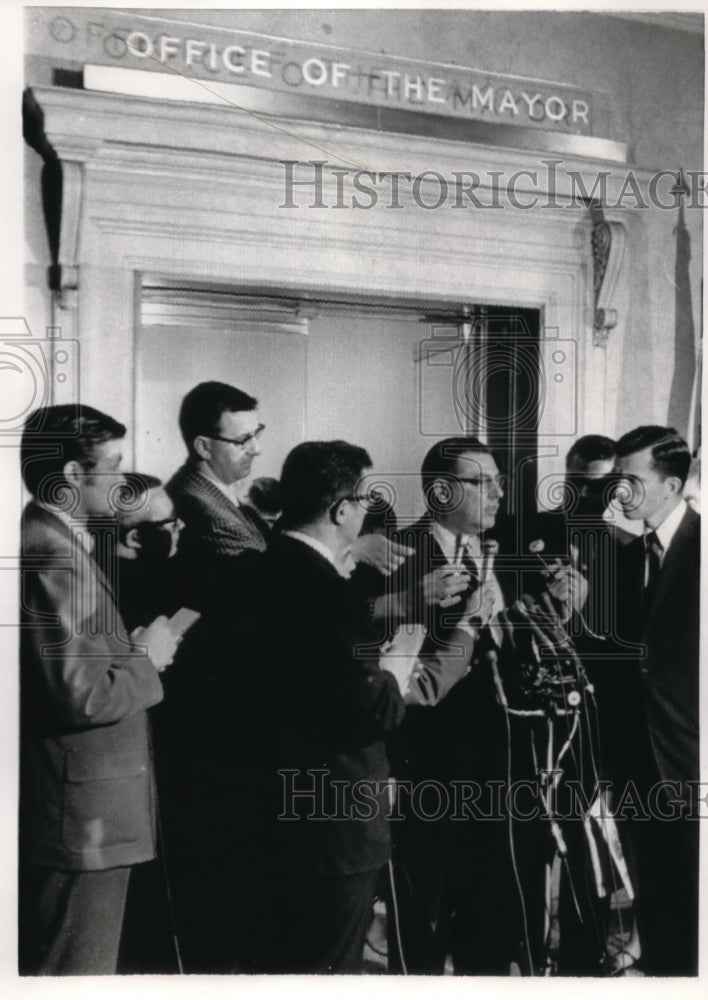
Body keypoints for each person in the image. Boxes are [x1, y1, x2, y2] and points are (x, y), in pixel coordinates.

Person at [387, 435, 587, 974]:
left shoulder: (516, 554)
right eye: (482, 483)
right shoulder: (395, 559)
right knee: (425, 910)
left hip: (509, 767)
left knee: (496, 914)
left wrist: (566, 607)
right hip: (432, 768)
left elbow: (533, 639)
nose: (498, 493)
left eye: (499, 481)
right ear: (440, 491)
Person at [18, 404, 178, 975]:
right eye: (110, 467)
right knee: (74, 975)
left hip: (85, 812)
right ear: (70, 479)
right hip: (83, 820)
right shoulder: (53, 553)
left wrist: (124, 650)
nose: (119, 480)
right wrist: (147, 656)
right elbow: (80, 696)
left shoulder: (53, 539)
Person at [613, 425, 699, 976]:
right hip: (634, 765)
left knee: (695, 908)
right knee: (656, 904)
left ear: (670, 485)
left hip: (690, 763)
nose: (620, 492)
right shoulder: (625, 557)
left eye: (631, 479)